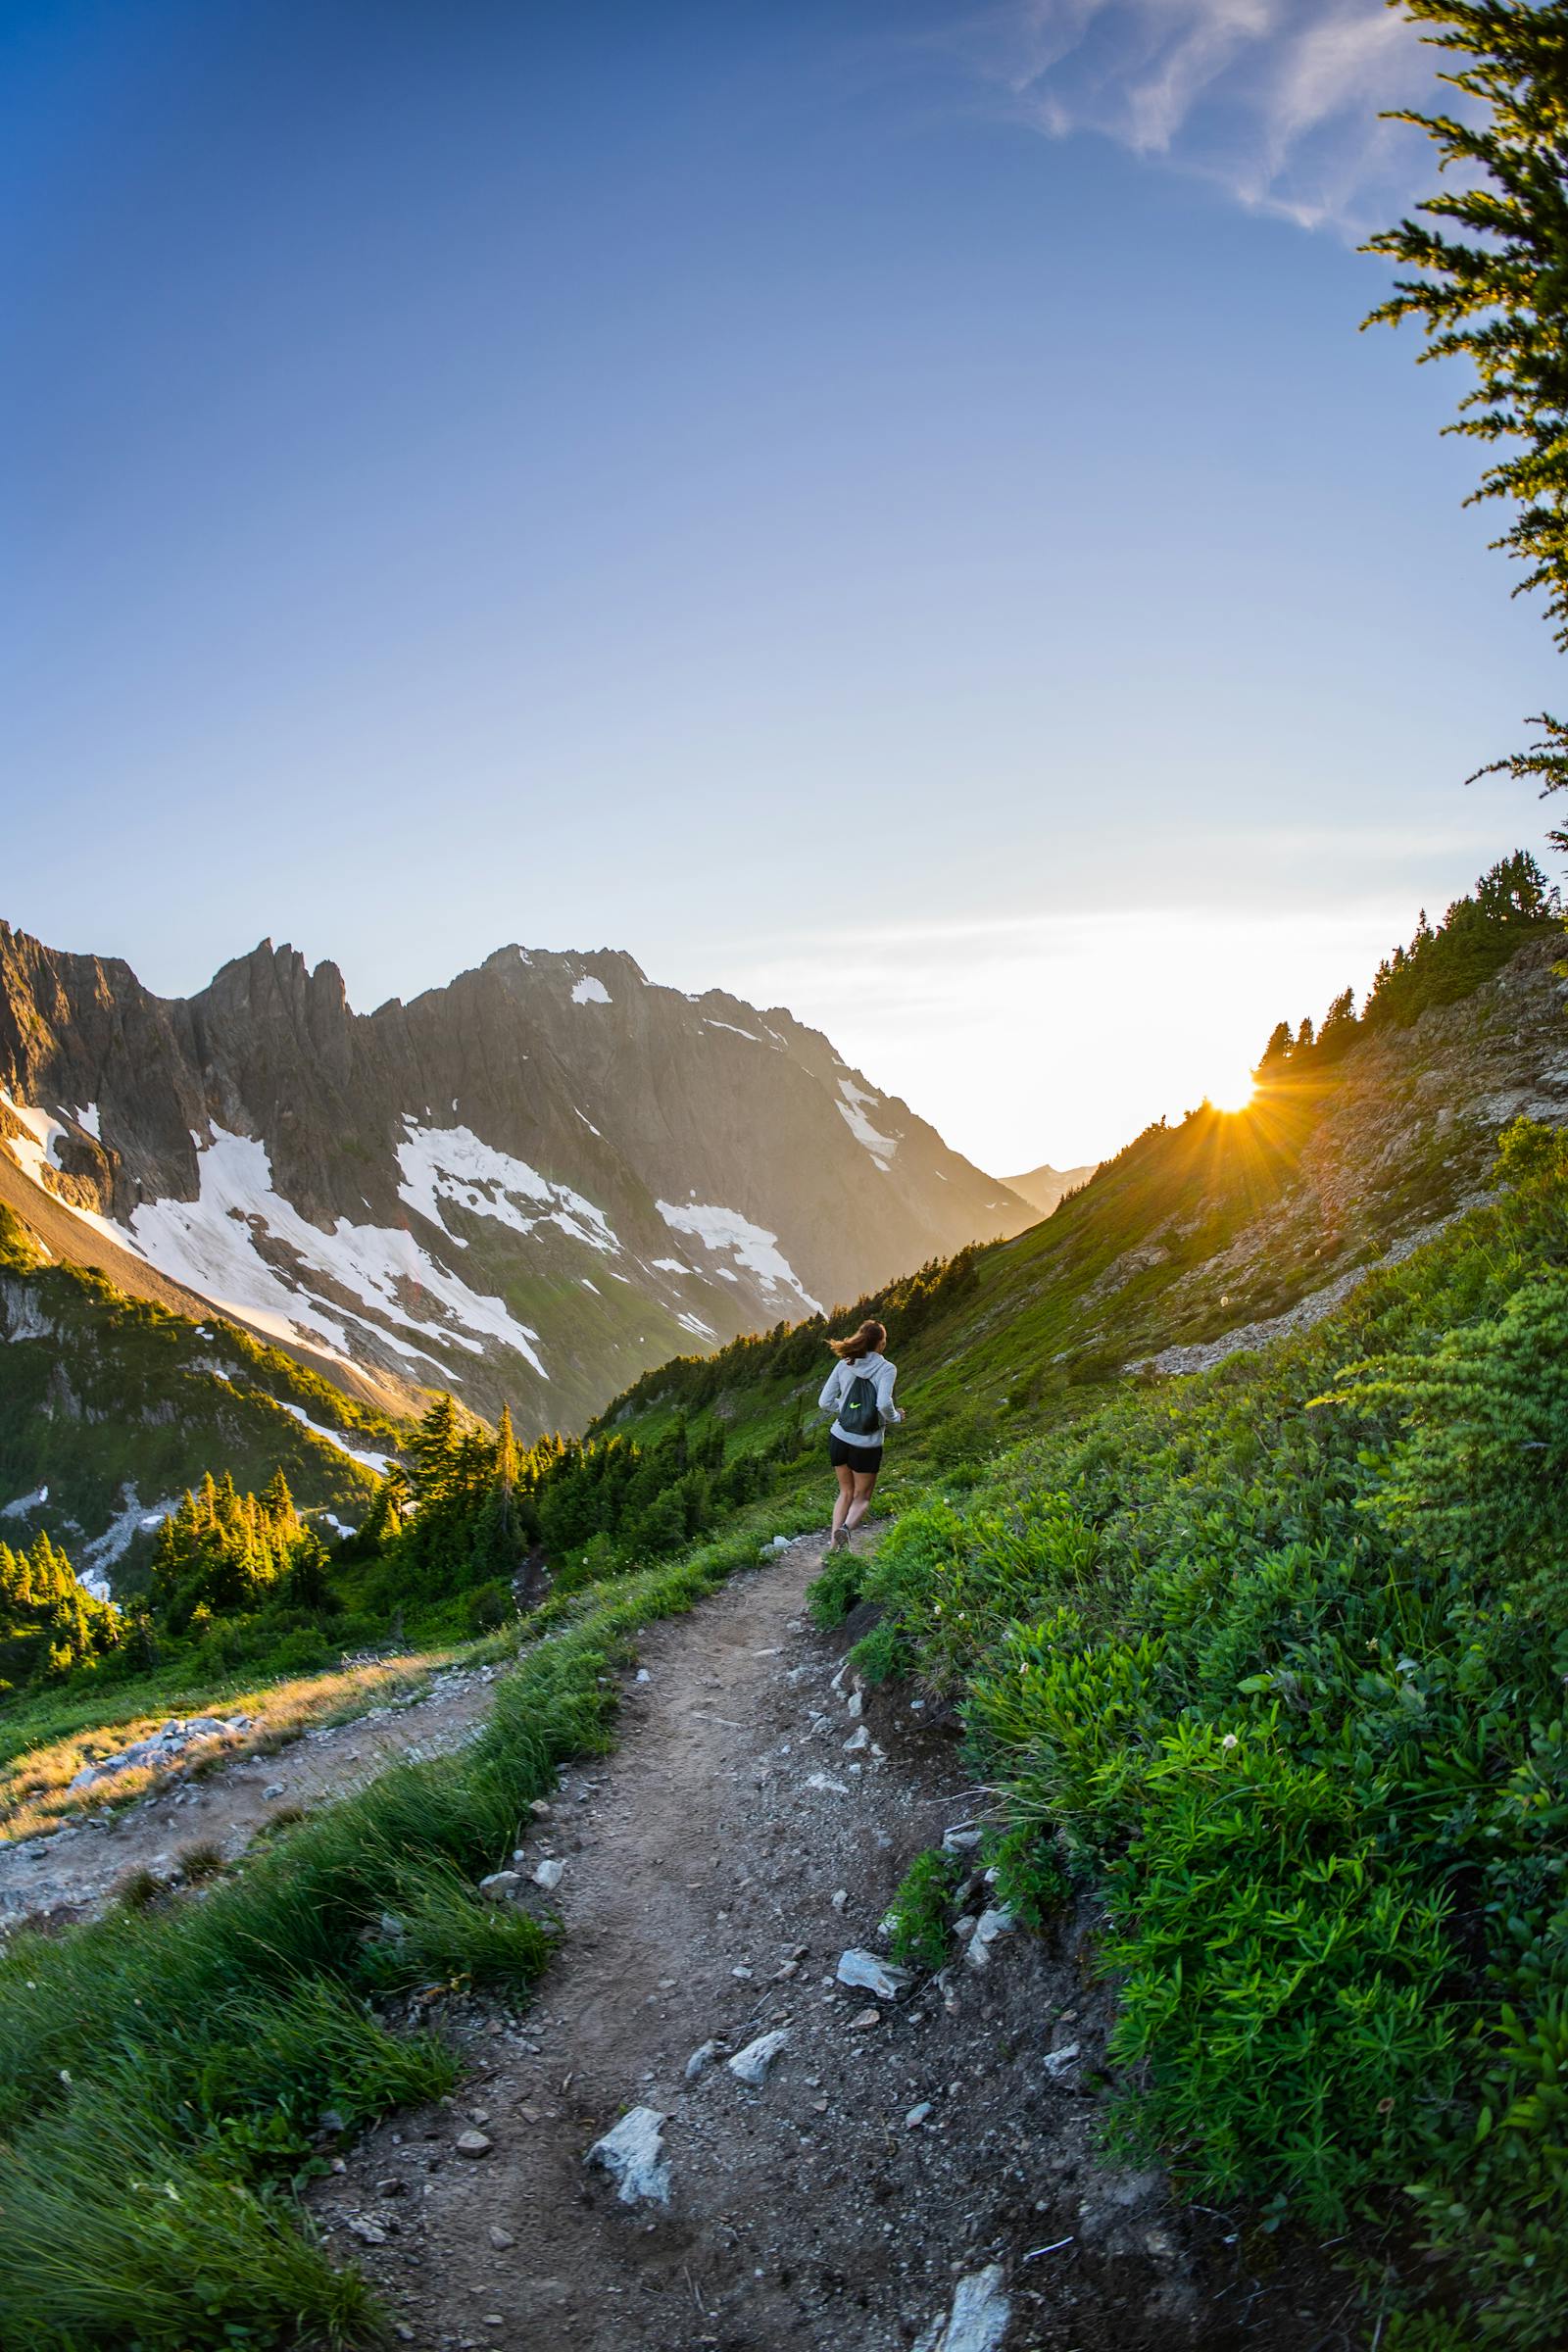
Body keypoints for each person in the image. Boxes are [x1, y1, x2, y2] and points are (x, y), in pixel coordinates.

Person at [817, 1317, 903, 1552]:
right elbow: (884, 1404)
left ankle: (833, 1549)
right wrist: (896, 1418)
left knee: (845, 1492)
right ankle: (845, 1529)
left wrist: (846, 1410)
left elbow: (824, 1402)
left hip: (839, 1437)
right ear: (881, 1343)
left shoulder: (845, 1363)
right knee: (862, 1497)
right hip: (866, 1444)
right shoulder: (886, 1368)